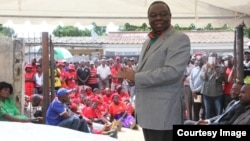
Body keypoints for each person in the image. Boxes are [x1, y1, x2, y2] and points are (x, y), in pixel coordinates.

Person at [134, 1, 191, 141]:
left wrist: (136, 77)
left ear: (170, 16)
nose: (158, 18)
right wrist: (130, 74)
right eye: (153, 15)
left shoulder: (179, 38)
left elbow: (172, 72)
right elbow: (149, 68)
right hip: (148, 111)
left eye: (162, 14)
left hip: (163, 113)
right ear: (148, 19)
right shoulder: (149, 40)